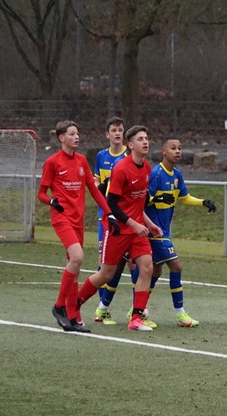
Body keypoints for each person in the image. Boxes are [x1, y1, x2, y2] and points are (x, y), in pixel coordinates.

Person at [73, 125, 163, 331]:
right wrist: (133, 224)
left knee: (147, 267)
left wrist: (149, 224)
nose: (145, 142)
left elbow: (137, 204)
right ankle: (73, 305)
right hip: (117, 229)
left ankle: (136, 318)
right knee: (106, 274)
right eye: (140, 139)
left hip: (137, 231)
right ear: (130, 145)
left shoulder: (147, 168)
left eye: (146, 138)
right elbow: (111, 204)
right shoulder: (121, 168)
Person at [131, 137, 217, 328]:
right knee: (176, 267)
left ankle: (136, 308)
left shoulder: (176, 174)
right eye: (173, 148)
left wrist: (203, 202)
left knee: (155, 270)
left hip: (164, 231)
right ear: (164, 151)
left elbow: (184, 198)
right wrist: (159, 197)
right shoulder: (156, 174)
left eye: (179, 148)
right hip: (154, 231)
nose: (177, 151)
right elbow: (141, 201)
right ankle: (180, 314)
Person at [38, 120, 111, 332]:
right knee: (77, 257)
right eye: (71, 134)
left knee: (75, 267)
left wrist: (109, 212)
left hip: (78, 220)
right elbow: (41, 193)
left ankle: (72, 317)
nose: (76, 137)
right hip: (62, 218)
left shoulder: (81, 160)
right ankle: (59, 306)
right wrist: (51, 201)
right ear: (62, 138)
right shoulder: (52, 162)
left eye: (77, 133)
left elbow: (94, 190)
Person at [91, 116, 129, 325]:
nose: (117, 133)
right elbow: (96, 181)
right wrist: (100, 186)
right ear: (107, 134)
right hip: (105, 216)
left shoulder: (128, 156)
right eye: (114, 130)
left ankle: (138, 309)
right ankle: (102, 309)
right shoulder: (101, 156)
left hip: (125, 216)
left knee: (134, 263)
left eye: (120, 130)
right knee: (104, 262)